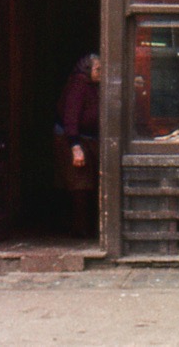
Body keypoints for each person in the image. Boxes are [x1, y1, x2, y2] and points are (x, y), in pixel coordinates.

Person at [54, 53, 100, 237]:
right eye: (98, 69)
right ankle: (80, 228)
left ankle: (85, 227)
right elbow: (70, 117)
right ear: (87, 70)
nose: (101, 73)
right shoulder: (78, 86)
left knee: (87, 182)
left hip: (89, 137)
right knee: (80, 183)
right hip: (74, 138)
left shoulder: (95, 86)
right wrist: (75, 146)